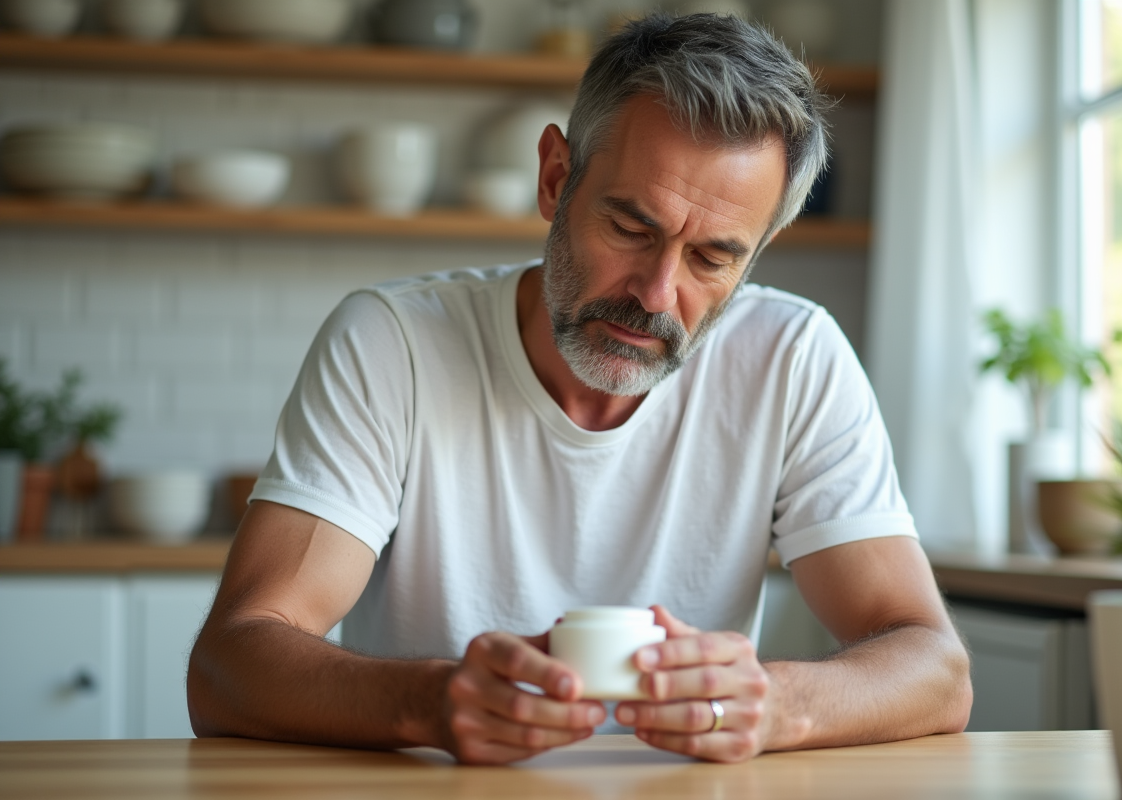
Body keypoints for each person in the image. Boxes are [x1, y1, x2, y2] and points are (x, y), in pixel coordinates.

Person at [187, 13, 972, 765]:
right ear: (555, 177)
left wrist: (778, 703)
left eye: (712, 259)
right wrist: (428, 701)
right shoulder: (394, 344)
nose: (657, 294)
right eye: (631, 228)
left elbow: (936, 670)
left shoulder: (793, 358)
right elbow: (230, 664)